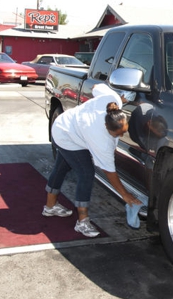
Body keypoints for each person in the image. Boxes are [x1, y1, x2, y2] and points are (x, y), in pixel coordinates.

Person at [42, 83, 142, 237]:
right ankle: (82, 222)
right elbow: (110, 172)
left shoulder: (113, 101)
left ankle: (50, 207)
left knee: (61, 167)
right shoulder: (100, 139)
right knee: (86, 173)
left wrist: (122, 97)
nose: (120, 136)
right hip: (67, 137)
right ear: (105, 126)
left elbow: (96, 86)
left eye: (124, 131)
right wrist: (126, 195)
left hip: (65, 124)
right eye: (116, 134)